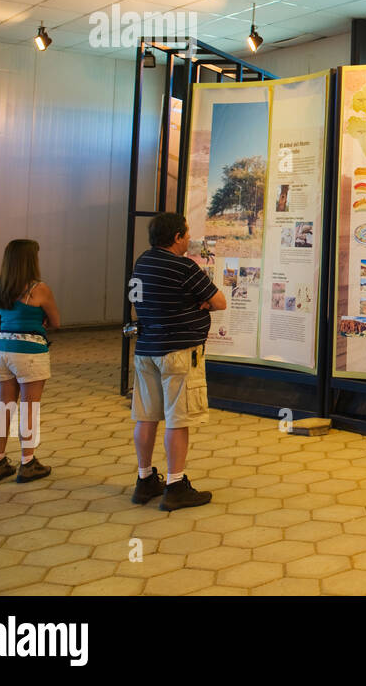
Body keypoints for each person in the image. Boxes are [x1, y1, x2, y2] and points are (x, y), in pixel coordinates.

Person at [129, 212, 226, 511]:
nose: (188, 239)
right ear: (176, 237)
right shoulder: (184, 267)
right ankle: (175, 484)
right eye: (186, 234)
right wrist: (200, 301)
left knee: (146, 416)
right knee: (178, 417)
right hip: (180, 353)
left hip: (146, 349)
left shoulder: (142, 262)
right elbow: (220, 301)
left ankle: (145, 479)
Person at [0, 239, 60, 483]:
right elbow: (56, 321)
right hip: (28, 350)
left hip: (0, 349)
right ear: (31, 260)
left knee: (5, 406)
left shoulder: (1, 287)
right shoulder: (39, 288)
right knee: (29, 408)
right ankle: (28, 463)